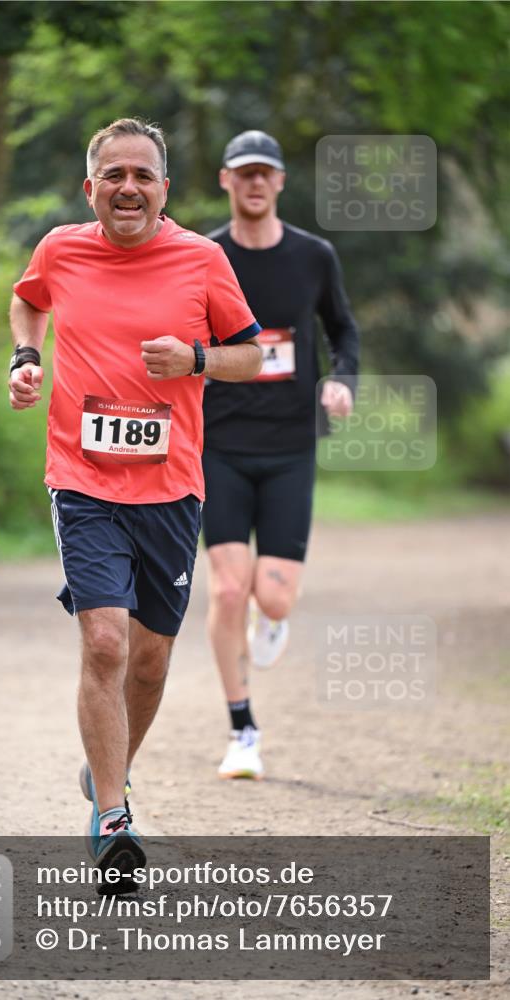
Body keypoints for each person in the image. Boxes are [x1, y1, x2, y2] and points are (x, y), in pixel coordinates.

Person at [8, 118, 262, 878]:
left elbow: (251, 355)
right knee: (106, 643)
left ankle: (104, 775)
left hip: (171, 486)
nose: (127, 187)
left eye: (142, 175)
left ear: (163, 189)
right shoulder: (60, 248)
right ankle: (115, 818)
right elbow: (28, 302)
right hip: (82, 478)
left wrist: (194, 358)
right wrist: (26, 357)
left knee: (149, 659)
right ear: (91, 189)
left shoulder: (201, 259)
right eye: (112, 175)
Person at [202, 130, 359, 780]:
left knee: (273, 601)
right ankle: (242, 730)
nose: (254, 183)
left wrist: (340, 379)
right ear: (225, 181)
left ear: (280, 182)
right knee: (228, 587)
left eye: (265, 173)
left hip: (291, 445)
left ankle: (271, 623)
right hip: (220, 443)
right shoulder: (203, 255)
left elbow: (341, 328)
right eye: (243, 174)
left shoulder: (313, 255)